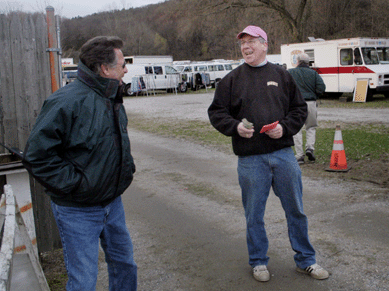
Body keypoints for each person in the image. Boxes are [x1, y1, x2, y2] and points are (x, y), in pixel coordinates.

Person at [208, 25, 329, 283]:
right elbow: (217, 113)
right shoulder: (231, 80)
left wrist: (284, 128)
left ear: (265, 44)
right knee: (254, 214)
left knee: (296, 210)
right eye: (243, 43)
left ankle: (306, 260)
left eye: (251, 41)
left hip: (284, 154)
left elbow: (299, 110)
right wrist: (236, 127)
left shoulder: (282, 76)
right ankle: (259, 261)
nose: (246, 47)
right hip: (250, 159)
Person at [23, 36, 137, 290]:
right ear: (105, 69)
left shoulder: (111, 95)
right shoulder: (66, 101)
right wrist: (77, 185)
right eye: (121, 63)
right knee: (84, 280)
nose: (126, 68)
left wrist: (126, 169)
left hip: (112, 203)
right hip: (77, 211)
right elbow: (37, 156)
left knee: (125, 265)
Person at [288, 53, 326, 164]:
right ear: (308, 62)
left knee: (297, 130)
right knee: (311, 127)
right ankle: (310, 148)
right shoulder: (313, 73)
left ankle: (299, 155)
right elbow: (321, 87)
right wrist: (315, 95)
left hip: (296, 104)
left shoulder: (291, 72)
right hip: (310, 102)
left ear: (298, 61)